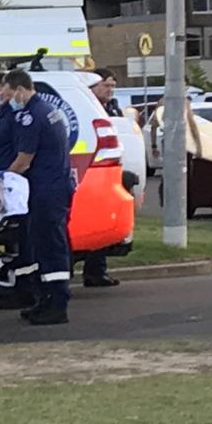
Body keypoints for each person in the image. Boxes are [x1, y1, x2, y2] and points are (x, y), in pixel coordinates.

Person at [2, 69, 74, 325]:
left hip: (46, 190)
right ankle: (46, 300)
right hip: (53, 187)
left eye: (9, 93)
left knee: (50, 247)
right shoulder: (48, 110)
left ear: (20, 89)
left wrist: (1, 179)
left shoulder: (31, 117)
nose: (8, 99)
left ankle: (57, 304)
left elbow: (23, 160)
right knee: (44, 246)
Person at [0, 70, 37, 309]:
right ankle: (22, 288)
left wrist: (6, 177)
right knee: (13, 241)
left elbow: (22, 153)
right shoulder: (2, 115)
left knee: (21, 240)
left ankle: (26, 291)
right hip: (3, 187)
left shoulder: (16, 117)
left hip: (12, 188)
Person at [83, 68, 123, 287]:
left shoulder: (112, 108)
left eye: (112, 85)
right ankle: (93, 270)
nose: (110, 90)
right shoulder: (90, 108)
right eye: (105, 85)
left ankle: (96, 270)